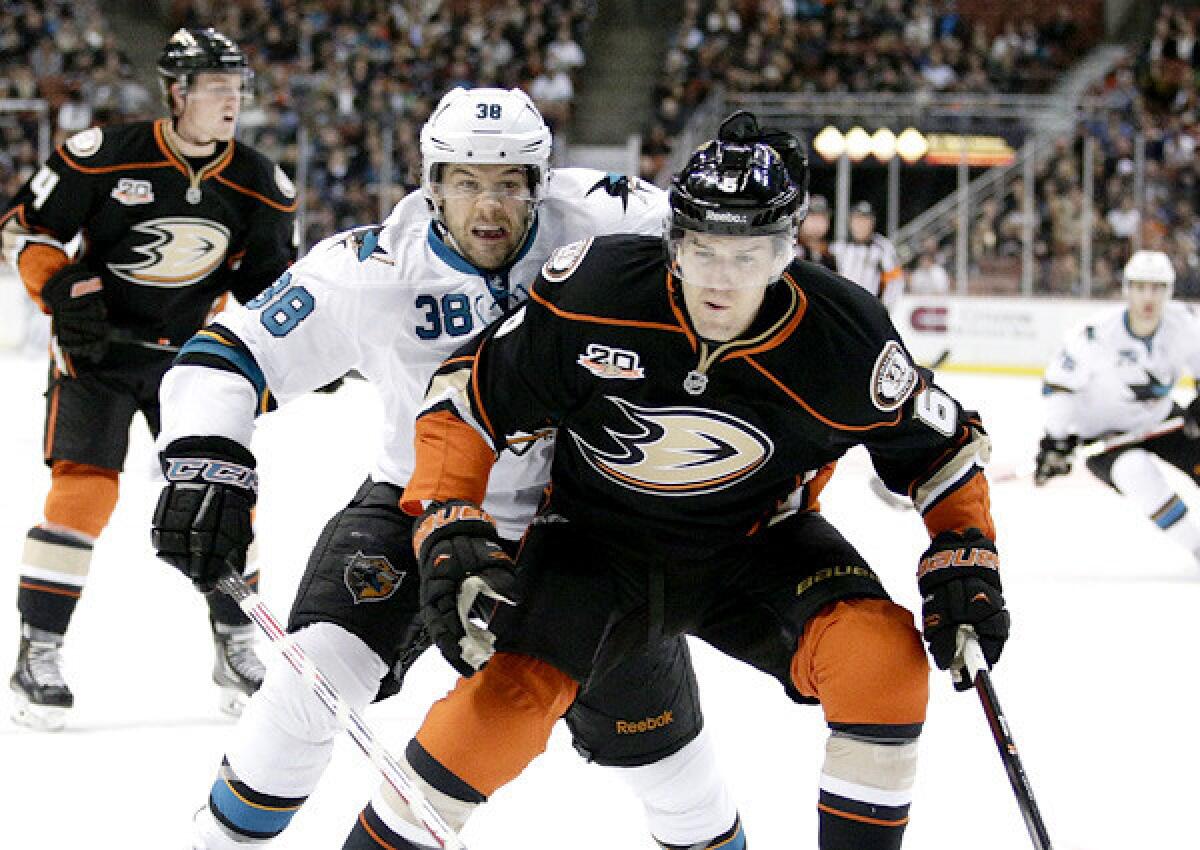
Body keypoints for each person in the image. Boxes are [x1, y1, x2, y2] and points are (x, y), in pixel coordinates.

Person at [368, 111, 1009, 850]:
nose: (721, 280)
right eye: (703, 251)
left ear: (787, 251)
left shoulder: (844, 336)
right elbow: (467, 401)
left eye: (750, 256)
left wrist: (965, 554)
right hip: (592, 545)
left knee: (883, 663)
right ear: (673, 242)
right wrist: (447, 520)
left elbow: (939, 449)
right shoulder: (594, 291)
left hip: (758, 545)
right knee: (495, 714)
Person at [151, 86, 739, 850]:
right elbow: (228, 351)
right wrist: (206, 459)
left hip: (588, 531)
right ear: (431, 182)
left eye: (508, 182)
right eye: (464, 181)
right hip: (415, 505)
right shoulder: (371, 268)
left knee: (672, 767)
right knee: (304, 685)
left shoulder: (613, 220)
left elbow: (743, 265)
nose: (486, 205)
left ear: (541, 181)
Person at [0, 27, 296, 731]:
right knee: (83, 493)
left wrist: (298, 344)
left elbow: (267, 287)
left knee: (221, 501)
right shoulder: (102, 157)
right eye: (217, 88)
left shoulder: (259, 182)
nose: (232, 102)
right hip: (98, 356)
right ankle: (37, 650)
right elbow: (23, 232)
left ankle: (235, 646)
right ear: (178, 91)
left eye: (237, 89)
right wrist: (61, 290)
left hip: (190, 362)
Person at [1036, 250, 1200, 563]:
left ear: (1170, 290)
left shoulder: (1185, 324)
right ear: (1127, 288)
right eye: (1140, 287)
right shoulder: (1095, 335)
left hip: (1160, 420)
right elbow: (1059, 385)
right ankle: (1197, 546)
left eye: (1157, 288)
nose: (1148, 297)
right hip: (1105, 438)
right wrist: (1055, 440)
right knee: (1133, 471)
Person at [830, 200, 906, 311]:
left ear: (872, 222)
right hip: (842, 308)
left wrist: (884, 307)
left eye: (865, 220)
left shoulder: (882, 247)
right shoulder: (838, 247)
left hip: (869, 308)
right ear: (850, 222)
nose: (861, 225)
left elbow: (895, 280)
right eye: (857, 220)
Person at [795, 193, 836, 270]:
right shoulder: (793, 249)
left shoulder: (828, 255)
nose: (816, 223)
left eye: (821, 218)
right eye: (812, 217)